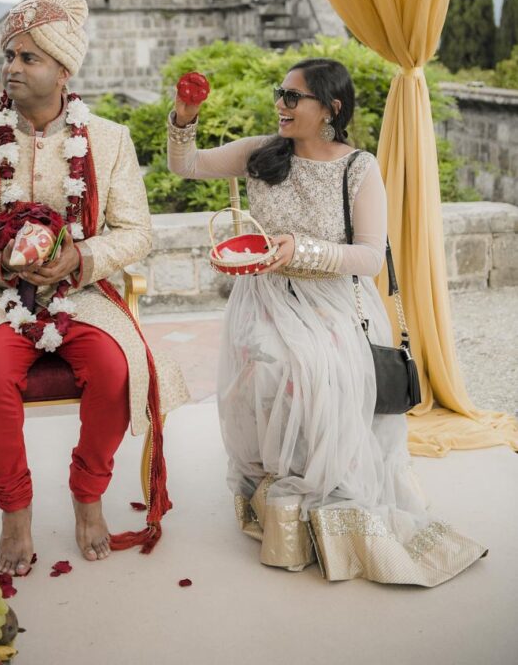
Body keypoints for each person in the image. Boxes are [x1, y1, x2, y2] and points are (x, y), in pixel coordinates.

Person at [168, 57, 486, 585]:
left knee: (315, 374)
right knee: (266, 369)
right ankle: (278, 496)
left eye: (293, 98)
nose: (280, 105)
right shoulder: (259, 153)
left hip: (333, 302)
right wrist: (185, 116)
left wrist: (302, 250)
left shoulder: (357, 167)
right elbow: (186, 165)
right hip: (265, 296)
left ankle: (326, 504)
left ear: (330, 108)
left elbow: (369, 257)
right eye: (280, 94)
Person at [0, 0, 188, 574]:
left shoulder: (109, 139)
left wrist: (80, 259)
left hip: (85, 294)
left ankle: (88, 496)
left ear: (63, 70)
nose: (10, 68)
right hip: (1, 297)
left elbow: (138, 231)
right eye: (9, 57)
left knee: (121, 372)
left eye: (27, 57)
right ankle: (14, 512)